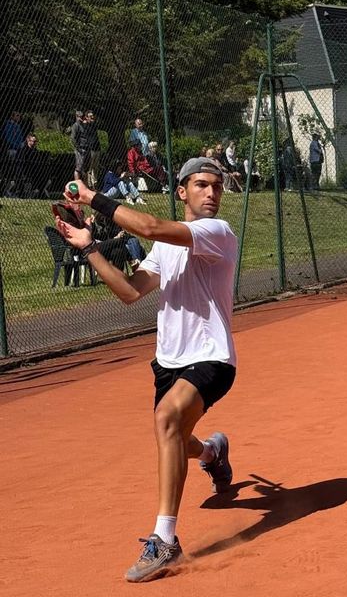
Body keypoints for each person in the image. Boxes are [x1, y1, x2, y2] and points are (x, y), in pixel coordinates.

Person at [54, 157, 238, 582]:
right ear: (182, 192)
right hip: (169, 362)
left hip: (212, 356)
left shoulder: (217, 232)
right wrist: (89, 247)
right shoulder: (164, 249)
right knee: (175, 437)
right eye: (201, 185)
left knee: (167, 419)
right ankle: (212, 453)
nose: (211, 193)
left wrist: (93, 198)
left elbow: (152, 226)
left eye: (217, 186)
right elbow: (129, 292)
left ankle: (165, 541)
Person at [71, 109, 101, 188]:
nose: (92, 117)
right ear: (86, 117)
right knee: (83, 168)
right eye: (90, 116)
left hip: (93, 148)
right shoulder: (80, 125)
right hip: (86, 149)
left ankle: (92, 185)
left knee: (93, 168)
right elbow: (73, 138)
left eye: (92, 116)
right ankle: (85, 186)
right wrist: (78, 148)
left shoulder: (93, 125)